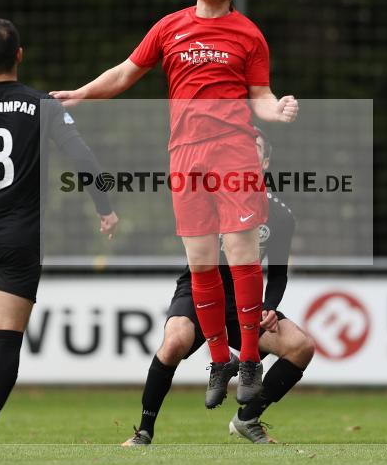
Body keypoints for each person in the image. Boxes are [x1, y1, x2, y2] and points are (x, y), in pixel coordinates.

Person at [51, 0, 298, 407]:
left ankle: (248, 360)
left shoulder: (248, 34)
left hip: (233, 150)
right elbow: (126, 72)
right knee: (202, 261)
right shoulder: (170, 26)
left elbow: (260, 96)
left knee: (240, 253)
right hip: (185, 155)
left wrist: (276, 110)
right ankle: (220, 361)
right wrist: (82, 94)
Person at [0, 19, 118, 461]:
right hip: (20, 237)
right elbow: (82, 155)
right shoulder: (43, 106)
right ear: (20, 55)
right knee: (6, 339)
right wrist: (103, 207)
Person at [122, 129, 314, 445]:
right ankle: (144, 431)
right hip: (199, 292)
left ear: (264, 162)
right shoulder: (206, 196)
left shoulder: (280, 216)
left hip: (245, 302)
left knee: (301, 347)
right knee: (174, 343)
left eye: (252, 147)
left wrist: (269, 305)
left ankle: (248, 419)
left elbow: (278, 274)